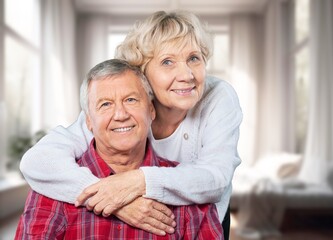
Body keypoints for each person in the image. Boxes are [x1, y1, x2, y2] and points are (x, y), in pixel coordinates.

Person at [20, 10, 242, 239]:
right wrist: (113, 199)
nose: (186, 74)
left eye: (194, 58)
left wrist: (137, 182)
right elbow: (36, 161)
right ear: (142, 72)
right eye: (167, 62)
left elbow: (215, 180)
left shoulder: (218, 96)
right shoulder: (122, 107)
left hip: (204, 212)